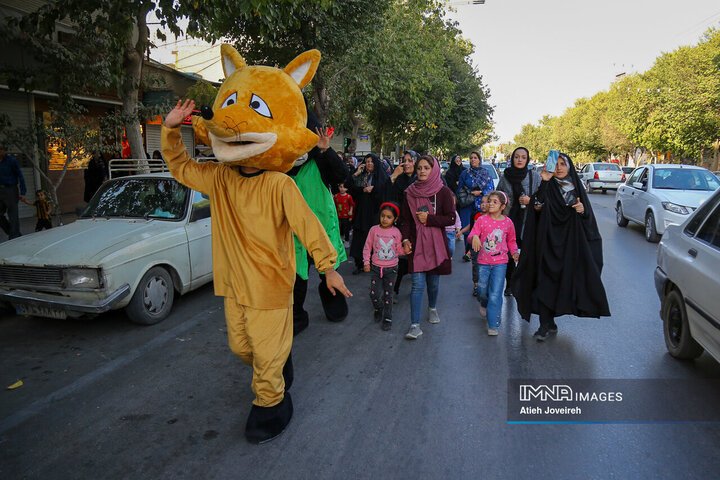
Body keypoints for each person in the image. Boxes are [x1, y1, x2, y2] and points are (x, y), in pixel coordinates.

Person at [511, 152, 610, 341]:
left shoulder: (575, 187)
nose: (559, 168)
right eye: (556, 164)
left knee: (564, 282)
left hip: (569, 245)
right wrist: (545, 182)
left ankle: (551, 321)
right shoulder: (547, 185)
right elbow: (537, 206)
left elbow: (587, 217)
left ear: (569, 166)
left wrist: (582, 211)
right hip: (547, 242)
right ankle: (544, 324)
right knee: (544, 281)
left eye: (563, 163)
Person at [400, 155, 456, 340]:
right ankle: (414, 325)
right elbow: (406, 221)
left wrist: (430, 219)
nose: (422, 171)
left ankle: (432, 307)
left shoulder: (443, 192)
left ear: (434, 170)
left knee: (432, 282)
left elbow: (451, 218)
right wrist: (405, 240)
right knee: (417, 284)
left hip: (436, 245)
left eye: (426, 168)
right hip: (417, 246)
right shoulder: (409, 192)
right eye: (419, 168)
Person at [468, 191, 519, 336]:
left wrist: (514, 252)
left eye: (494, 202)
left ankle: (493, 324)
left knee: (496, 293)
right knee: (482, 291)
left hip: (500, 263)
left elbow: (511, 241)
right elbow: (472, 235)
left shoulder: (508, 223)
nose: (490, 203)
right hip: (483, 262)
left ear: (503, 206)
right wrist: (475, 238)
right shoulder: (482, 220)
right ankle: (483, 303)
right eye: (489, 201)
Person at [496, 147, 542, 296]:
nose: (520, 160)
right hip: (508, 221)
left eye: (523, 157)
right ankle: (510, 284)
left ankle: (526, 283)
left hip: (528, 221)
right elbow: (497, 196)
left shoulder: (534, 176)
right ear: (512, 159)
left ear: (527, 159)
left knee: (527, 253)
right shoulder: (505, 177)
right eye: (517, 157)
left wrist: (531, 200)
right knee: (509, 254)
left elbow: (543, 197)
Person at [363, 202, 404, 331]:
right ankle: (378, 308)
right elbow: (367, 247)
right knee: (373, 294)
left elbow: (399, 250)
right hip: (375, 268)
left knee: (388, 295)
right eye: (383, 216)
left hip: (391, 269)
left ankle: (387, 317)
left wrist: (407, 249)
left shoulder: (396, 233)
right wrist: (366, 262)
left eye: (389, 217)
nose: (385, 219)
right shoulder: (373, 230)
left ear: (395, 219)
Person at [349, 153, 390, 274]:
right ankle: (360, 263)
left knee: (372, 237)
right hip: (361, 212)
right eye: (367, 161)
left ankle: (373, 262)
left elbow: (383, 191)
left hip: (374, 213)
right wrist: (362, 188)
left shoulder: (380, 177)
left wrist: (373, 191)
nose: (369, 164)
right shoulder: (361, 175)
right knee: (359, 237)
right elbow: (349, 186)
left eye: (371, 161)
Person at [389, 150, 418, 297]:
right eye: (404, 160)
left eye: (409, 160)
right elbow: (390, 197)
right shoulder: (399, 180)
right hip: (402, 224)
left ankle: (416, 286)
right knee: (401, 257)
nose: (406, 163)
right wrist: (394, 176)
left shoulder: (421, 178)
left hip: (419, 225)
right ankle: (395, 288)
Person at [456, 151, 493, 261]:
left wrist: (481, 193)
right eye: (471, 158)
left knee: (479, 228)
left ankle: (478, 250)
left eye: (475, 158)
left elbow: (491, 188)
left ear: (479, 160)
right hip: (467, 205)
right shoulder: (465, 173)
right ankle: (468, 252)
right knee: (468, 229)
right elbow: (459, 189)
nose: (473, 160)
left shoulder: (486, 173)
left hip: (481, 204)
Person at [0, 145, 27, 240]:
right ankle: (13, 232)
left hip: (10, 190)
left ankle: (14, 236)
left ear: (4, 151)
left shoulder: (11, 161)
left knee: (13, 215)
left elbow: (20, 176)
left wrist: (23, 192)